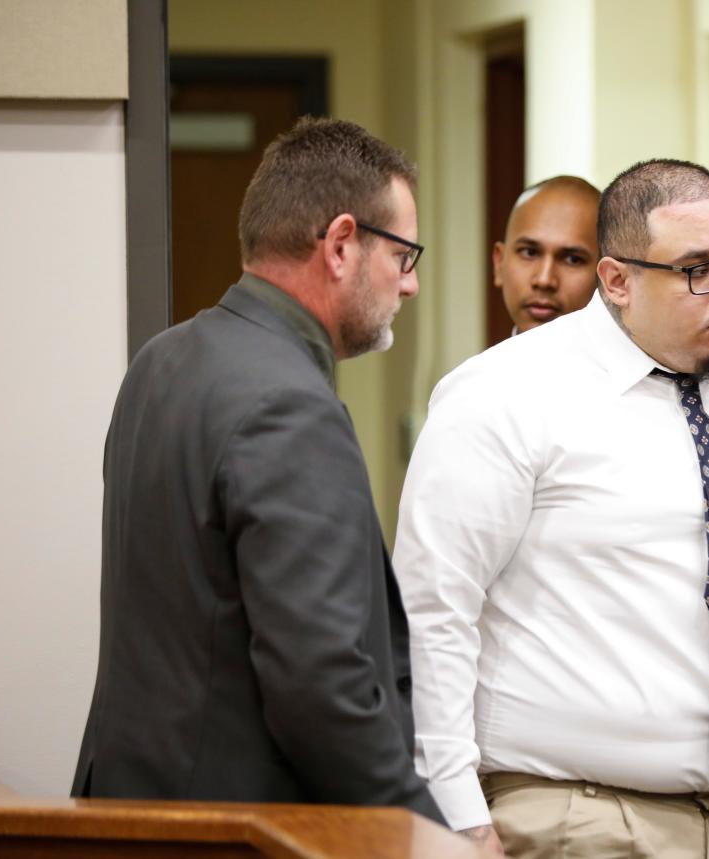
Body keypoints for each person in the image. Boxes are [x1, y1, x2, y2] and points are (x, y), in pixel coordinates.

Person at [394, 158, 709, 857]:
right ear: (617, 280)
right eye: (698, 269)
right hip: (574, 818)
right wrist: (455, 808)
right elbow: (434, 608)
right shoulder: (503, 393)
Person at [72, 117, 443, 824]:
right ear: (340, 245)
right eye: (404, 254)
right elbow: (321, 686)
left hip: (128, 809)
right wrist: (422, 831)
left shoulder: (162, 359)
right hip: (235, 827)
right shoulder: (290, 405)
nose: (412, 283)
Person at [492, 175, 600, 334]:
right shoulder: (482, 360)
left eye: (573, 260)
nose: (544, 280)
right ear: (499, 263)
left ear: (610, 277)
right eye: (530, 252)